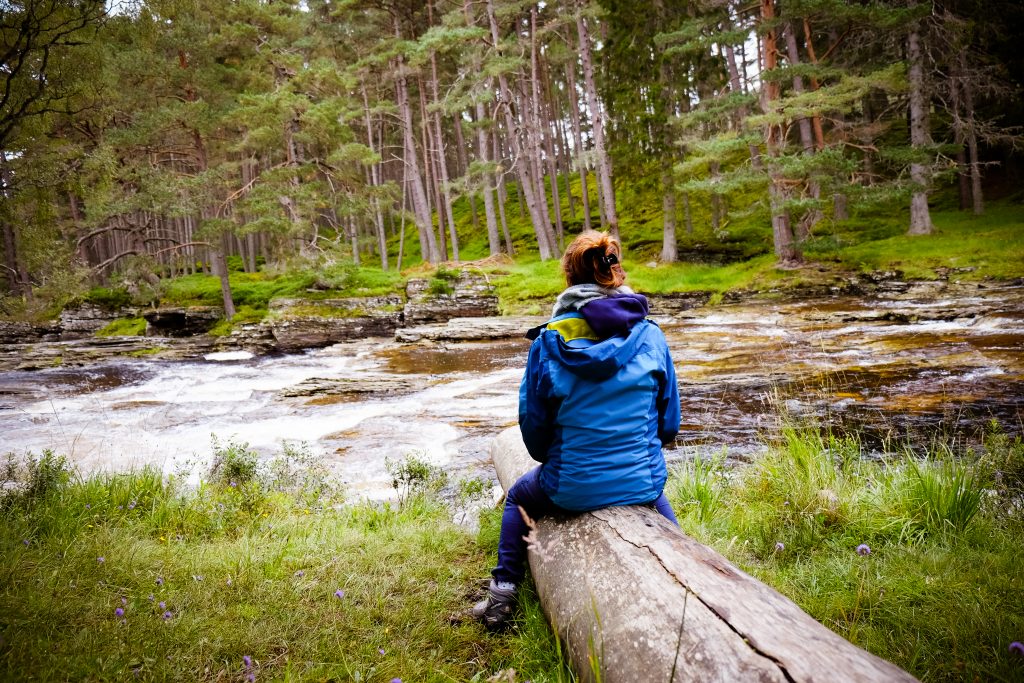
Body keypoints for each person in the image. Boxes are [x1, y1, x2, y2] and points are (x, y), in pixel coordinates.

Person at [473, 230, 681, 631]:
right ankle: (687, 574)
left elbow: (534, 436)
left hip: (570, 486)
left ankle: (501, 595)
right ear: (615, 272)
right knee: (656, 492)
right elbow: (668, 424)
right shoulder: (651, 335)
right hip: (641, 481)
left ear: (569, 278)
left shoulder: (549, 342)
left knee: (519, 495)